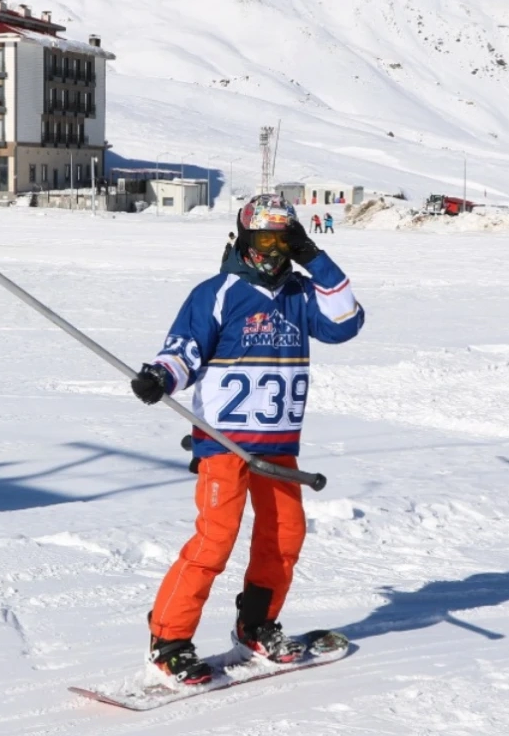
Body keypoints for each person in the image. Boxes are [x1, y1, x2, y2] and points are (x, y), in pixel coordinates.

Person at [130, 194, 364, 685]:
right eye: (264, 240)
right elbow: (183, 352)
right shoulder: (218, 293)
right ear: (244, 239)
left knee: (284, 539)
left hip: (279, 446)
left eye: (285, 240)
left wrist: (315, 259)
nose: (273, 250)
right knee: (215, 540)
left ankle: (257, 625)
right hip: (225, 444)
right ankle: (168, 640)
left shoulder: (301, 295)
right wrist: (161, 377)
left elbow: (346, 322)